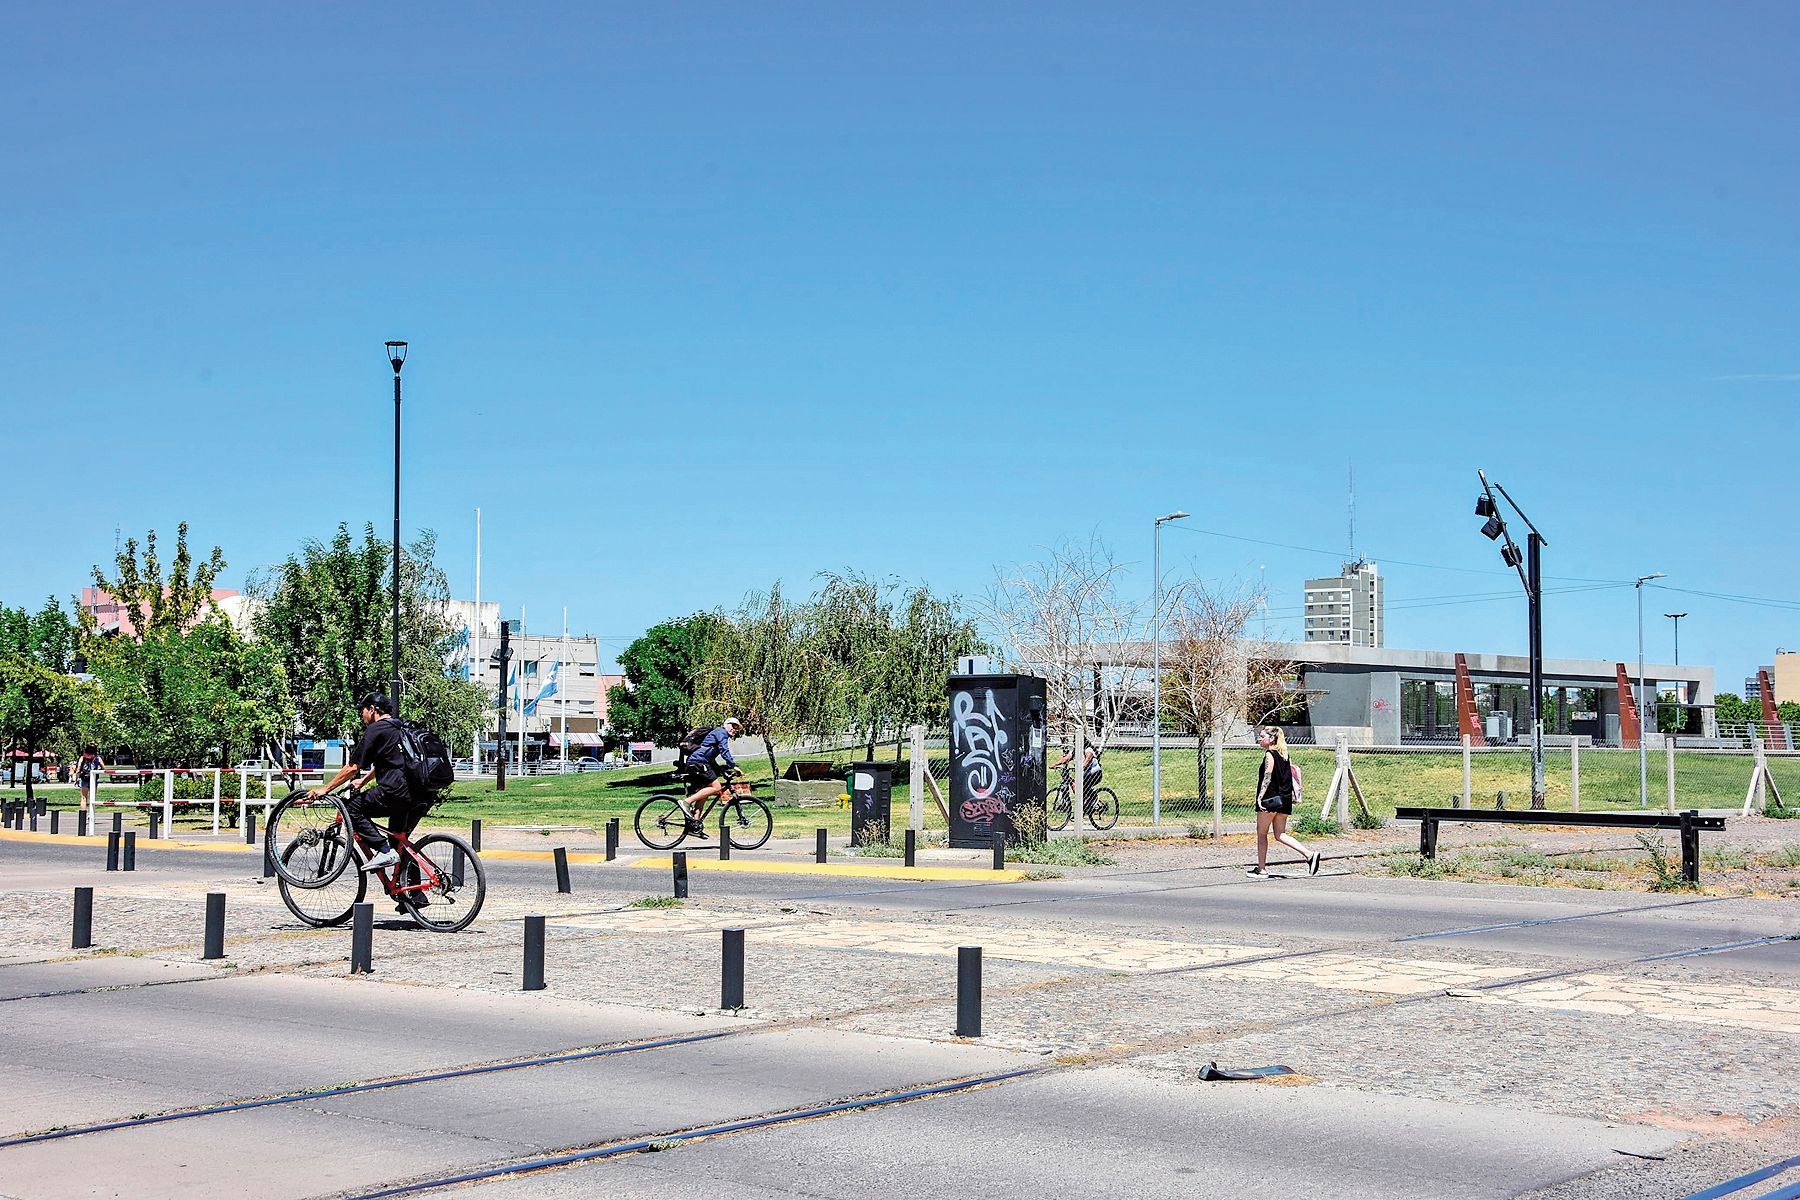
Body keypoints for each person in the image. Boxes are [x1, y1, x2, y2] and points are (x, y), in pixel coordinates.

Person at [311, 693, 417, 872]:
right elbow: (390, 761)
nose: (361, 714)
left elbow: (353, 767)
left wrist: (325, 789)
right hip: (414, 792)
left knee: (351, 809)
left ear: (372, 710)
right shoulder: (400, 726)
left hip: (393, 791)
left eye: (362, 710)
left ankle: (383, 850)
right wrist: (364, 781)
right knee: (399, 841)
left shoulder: (375, 730)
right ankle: (413, 895)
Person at [1248, 726, 1321, 878]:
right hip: (1284, 800)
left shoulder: (1270, 755)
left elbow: (1267, 777)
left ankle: (1261, 869)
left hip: (1270, 800)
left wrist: (1260, 797)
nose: (1259, 739)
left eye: (1262, 736)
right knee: (1280, 834)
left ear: (1272, 739)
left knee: (1261, 833)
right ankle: (1309, 854)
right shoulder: (1285, 756)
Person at [680, 718, 744, 836]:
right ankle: (686, 802)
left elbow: (710, 758)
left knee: (704, 793)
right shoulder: (721, 733)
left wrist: (723, 773)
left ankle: (694, 825)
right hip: (698, 762)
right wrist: (733, 766)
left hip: (697, 762)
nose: (734, 730)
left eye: (736, 728)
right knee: (717, 787)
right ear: (726, 724)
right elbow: (724, 751)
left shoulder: (717, 735)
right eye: (733, 726)